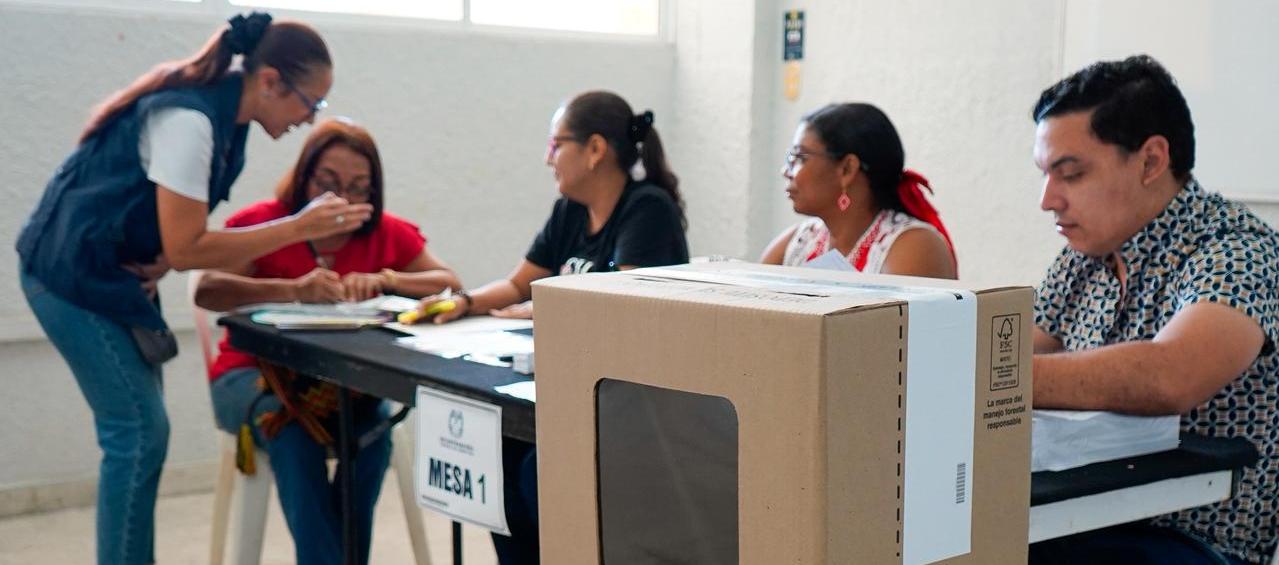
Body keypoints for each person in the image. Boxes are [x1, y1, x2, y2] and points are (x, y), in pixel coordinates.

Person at [13, 13, 369, 565]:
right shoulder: (190, 119)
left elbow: (174, 237)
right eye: (310, 102)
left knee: (140, 437)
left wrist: (156, 255)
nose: (310, 119)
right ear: (270, 81)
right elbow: (188, 248)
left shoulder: (230, 121)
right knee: (137, 434)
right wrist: (298, 228)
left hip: (113, 280)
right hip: (67, 276)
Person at [413, 90, 689, 564]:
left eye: (555, 144)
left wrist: (544, 310)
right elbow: (520, 283)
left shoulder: (648, 208)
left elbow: (620, 305)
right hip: (563, 380)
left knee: (538, 470)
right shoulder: (570, 211)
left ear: (595, 149)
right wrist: (462, 302)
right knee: (496, 454)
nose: (548, 158)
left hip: (630, 395)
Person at [1027, 55, 1278, 564]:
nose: (1048, 200)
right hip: (1078, 517)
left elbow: (1171, 376)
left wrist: (997, 380)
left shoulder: (1238, 251)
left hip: (1192, 543)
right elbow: (1017, 347)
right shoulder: (1084, 256)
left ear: (1150, 161)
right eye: (1046, 175)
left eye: (1070, 174)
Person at [194, 117, 460, 565]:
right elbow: (207, 290)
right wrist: (292, 290)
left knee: (373, 435)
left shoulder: (385, 231)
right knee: (293, 435)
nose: (343, 199)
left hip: (345, 385)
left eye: (359, 188)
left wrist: (388, 279)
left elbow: (449, 283)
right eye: (327, 183)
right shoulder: (266, 224)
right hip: (253, 376)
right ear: (303, 177)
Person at [760, 103, 957, 279]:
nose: (786, 171)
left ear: (847, 169)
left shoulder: (915, 247)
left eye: (800, 158)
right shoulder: (798, 243)